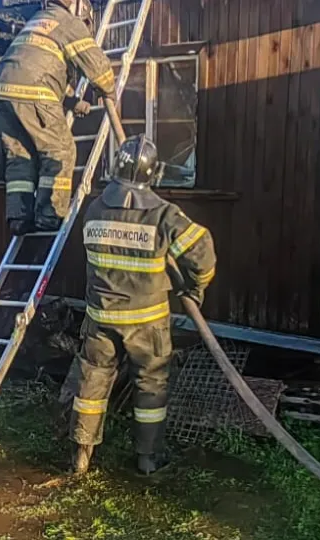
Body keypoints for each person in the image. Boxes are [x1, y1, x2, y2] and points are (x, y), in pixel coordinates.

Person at [68, 135, 216, 475]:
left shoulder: (94, 209)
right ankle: (147, 459)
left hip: (100, 318)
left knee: (91, 383)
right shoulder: (164, 215)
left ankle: (81, 456)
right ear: (155, 174)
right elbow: (202, 251)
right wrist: (195, 288)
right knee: (150, 387)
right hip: (147, 324)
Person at [0, 0, 116, 235]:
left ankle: (18, 218)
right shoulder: (68, 22)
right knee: (59, 151)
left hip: (0, 92)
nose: (86, 26)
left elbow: (40, 69)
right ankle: (49, 216)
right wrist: (109, 89)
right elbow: (100, 70)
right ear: (79, 9)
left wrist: (72, 102)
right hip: (32, 93)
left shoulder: (38, 21)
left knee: (20, 157)